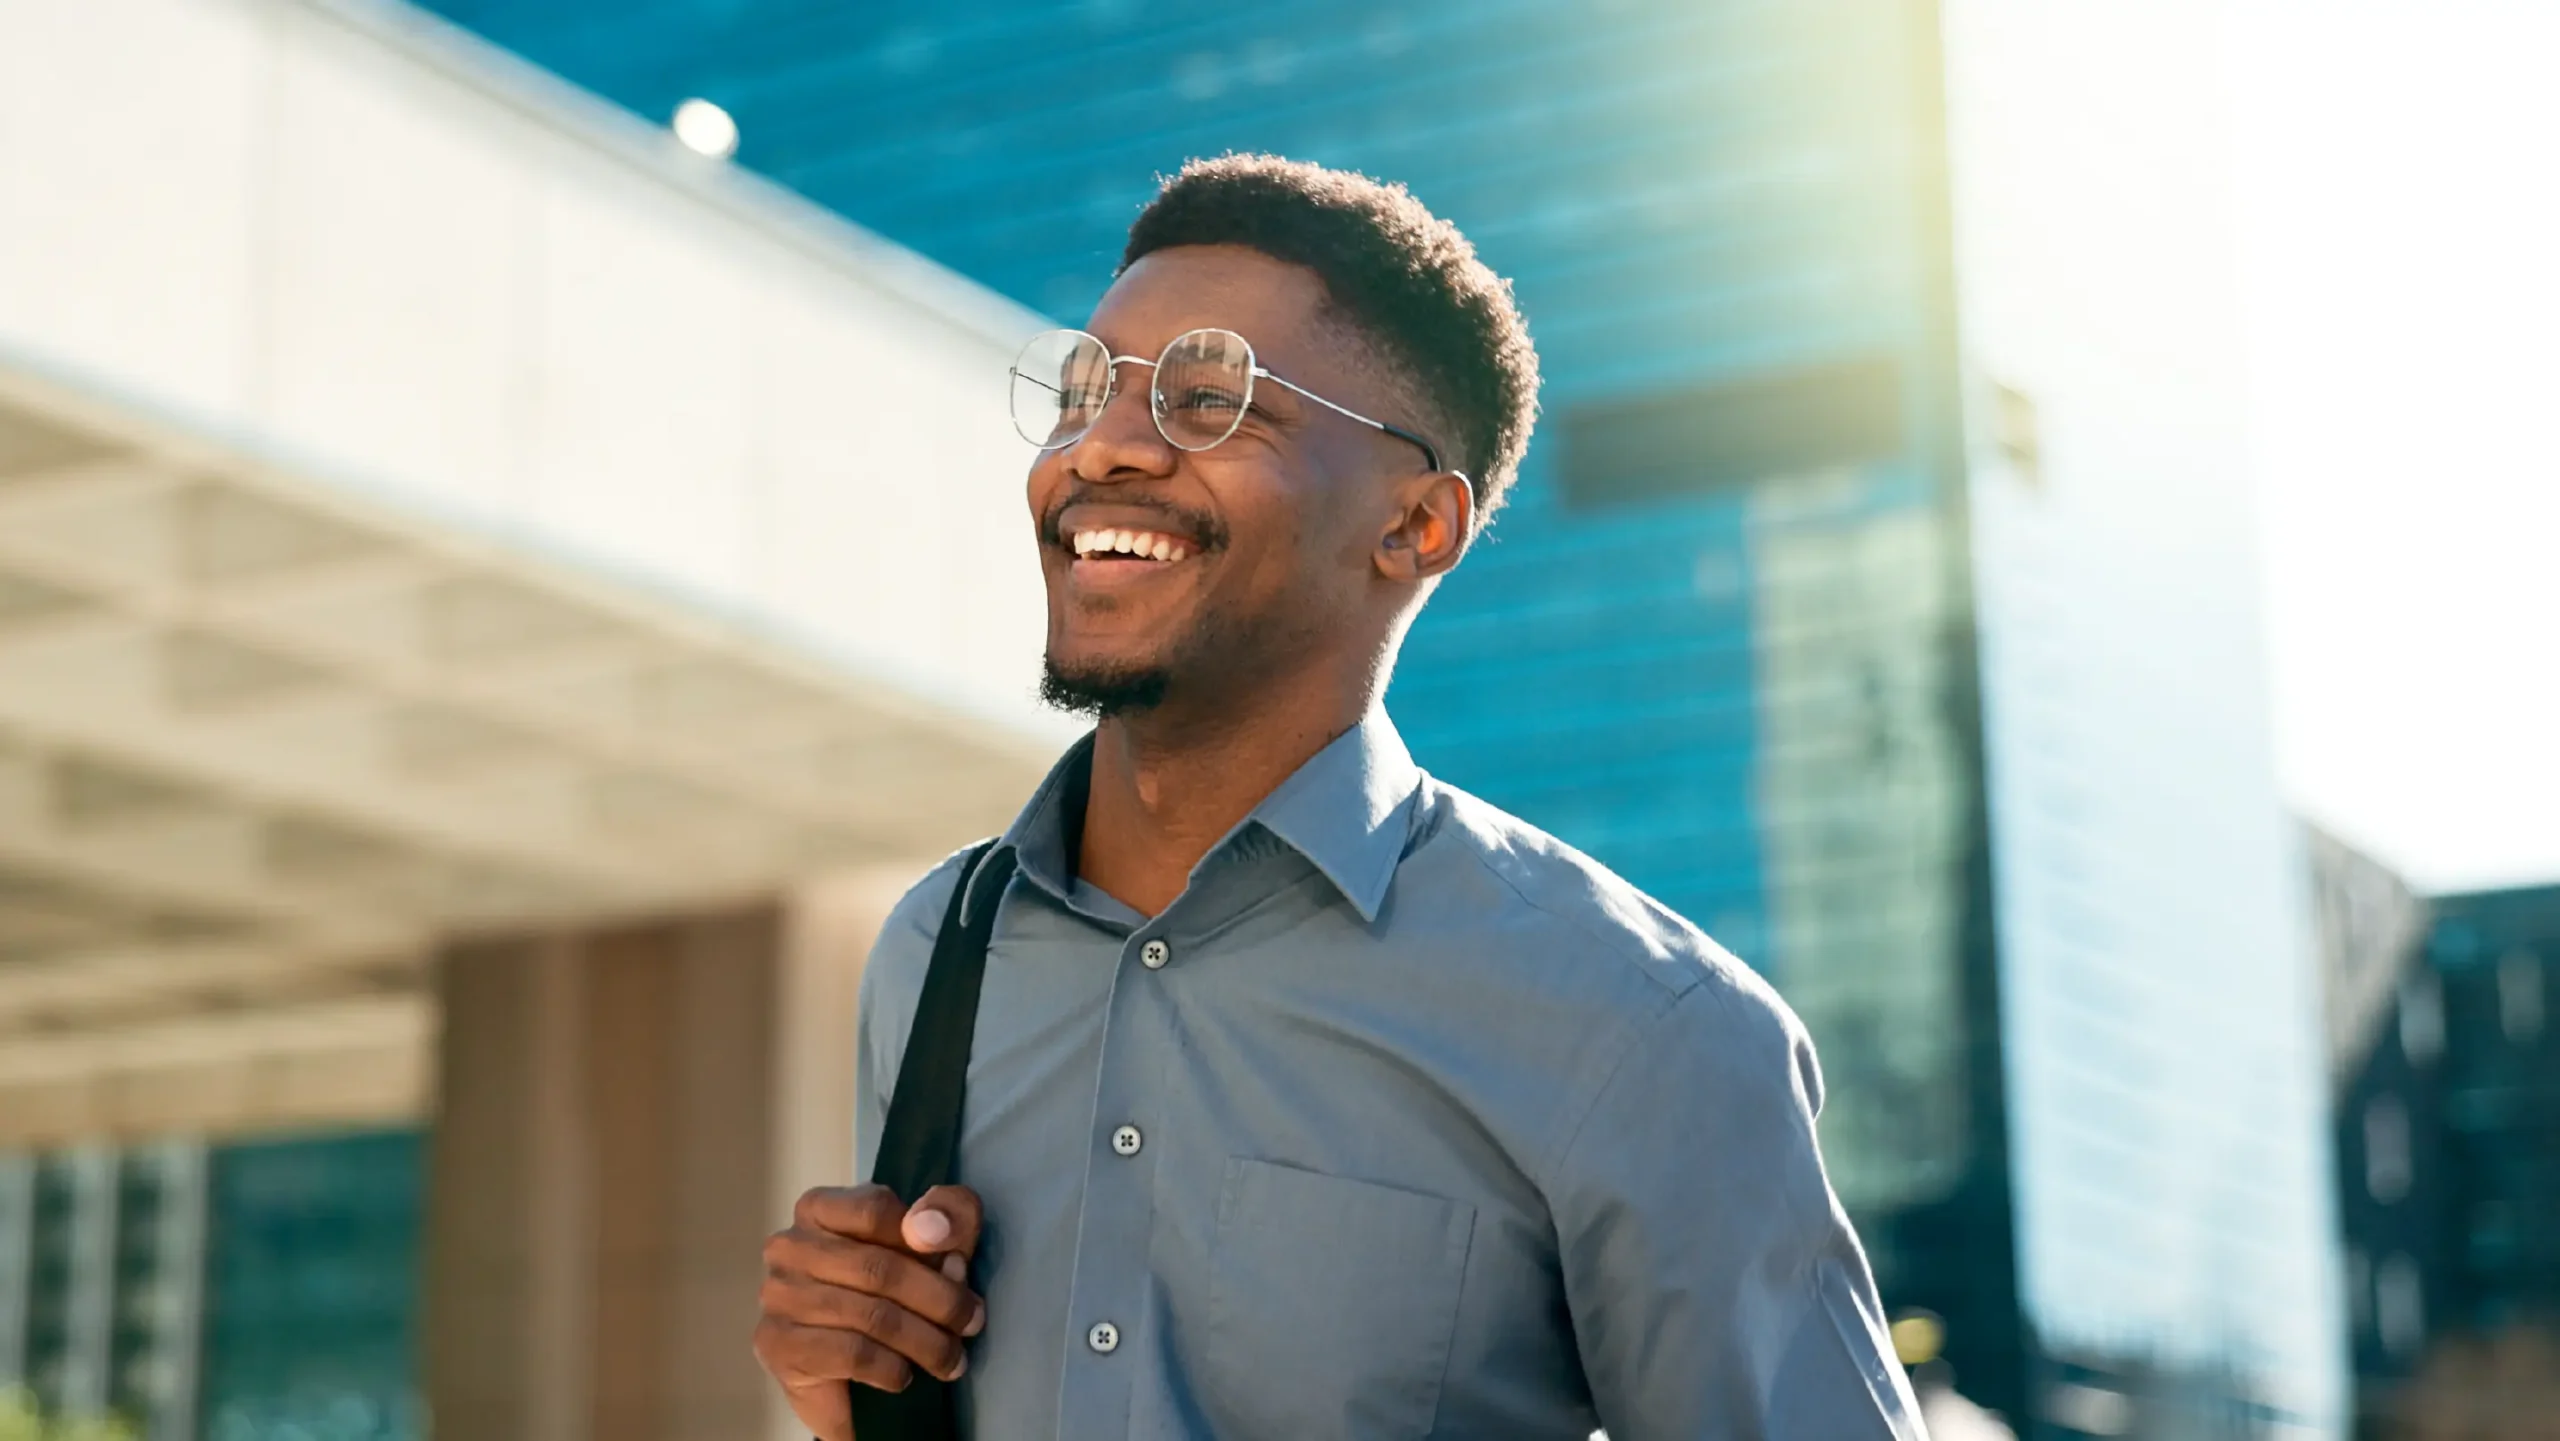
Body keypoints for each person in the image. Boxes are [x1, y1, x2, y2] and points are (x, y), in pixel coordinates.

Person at [754, 154, 1921, 1440]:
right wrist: (851, 1403)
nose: (1106, 450)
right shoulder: (937, 946)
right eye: (1088, 391)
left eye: (1209, 398)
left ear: (1416, 526)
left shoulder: (1651, 1034)